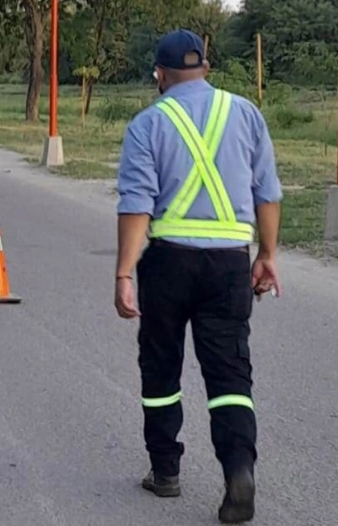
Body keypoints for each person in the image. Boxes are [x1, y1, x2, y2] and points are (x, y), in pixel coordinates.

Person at [114, 29, 282, 524]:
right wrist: (267, 253)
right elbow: (266, 192)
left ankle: (165, 471)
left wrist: (124, 272)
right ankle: (238, 469)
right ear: (206, 68)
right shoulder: (245, 113)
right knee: (230, 373)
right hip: (230, 262)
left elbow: (136, 204)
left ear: (159, 75)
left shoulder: (148, 123)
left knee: (161, 369)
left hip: (169, 262)